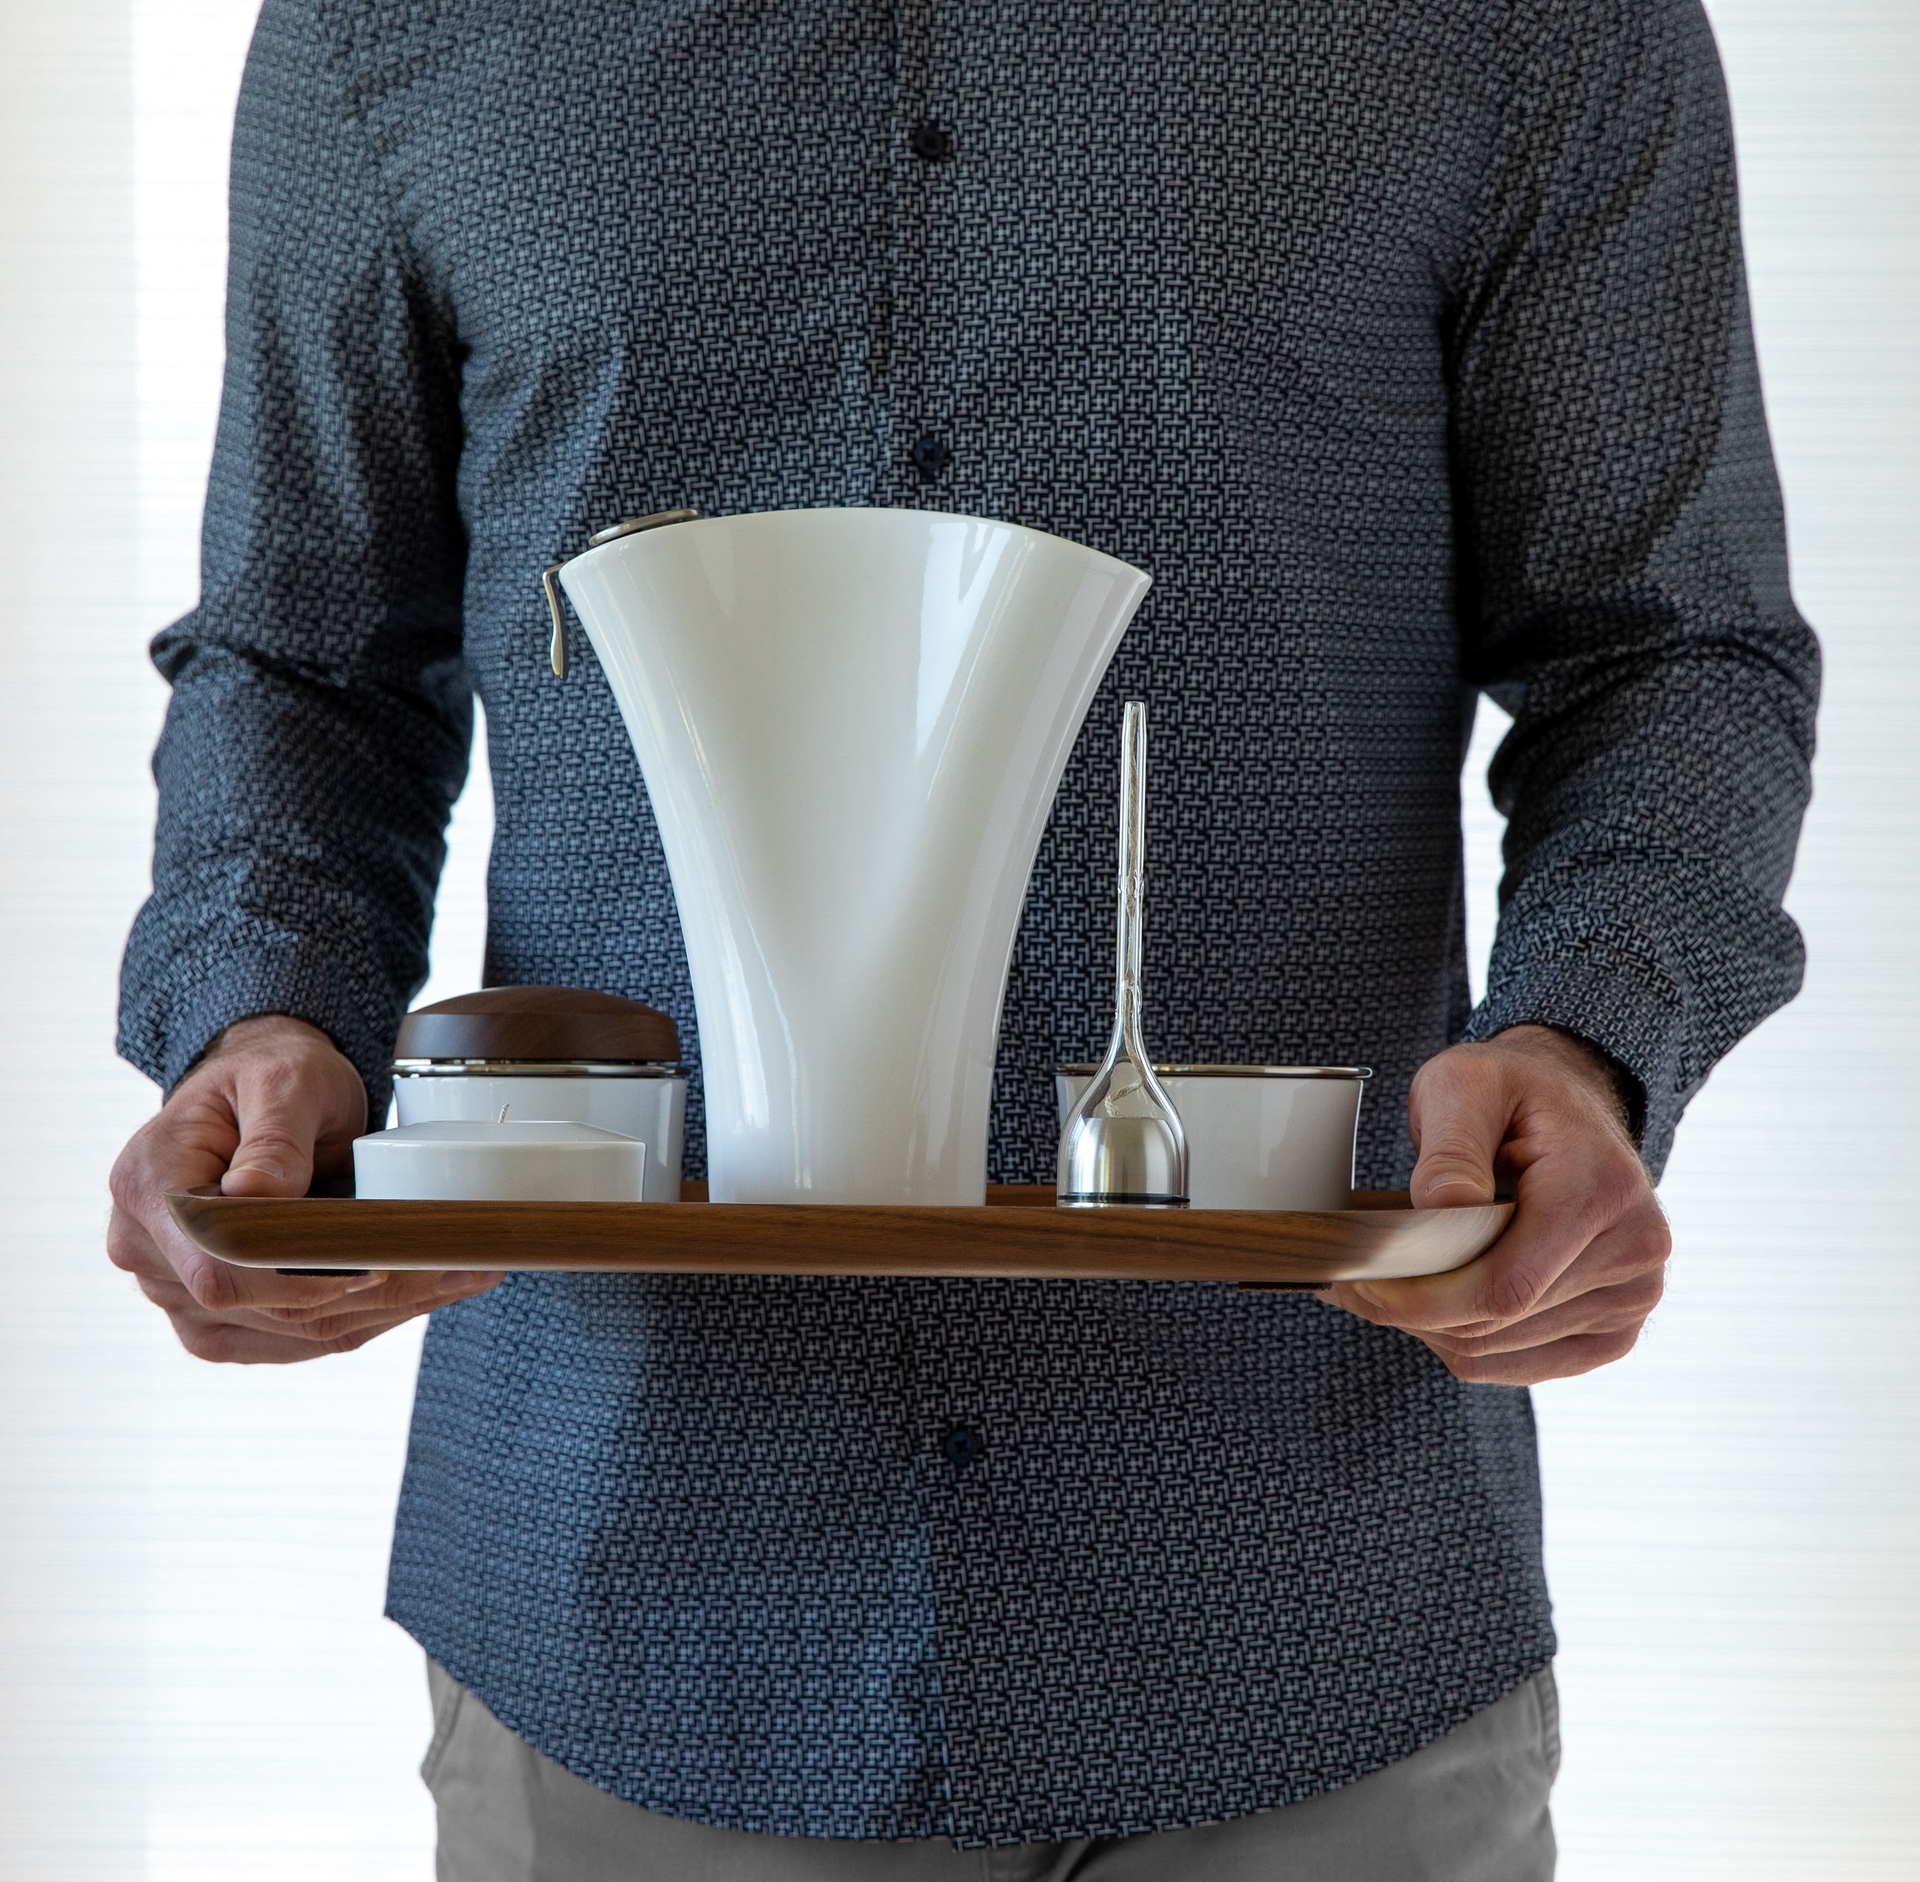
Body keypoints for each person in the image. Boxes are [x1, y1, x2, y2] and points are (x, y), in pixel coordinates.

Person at [107, 0, 1819, 1873]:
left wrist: (1586, 1036)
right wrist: (258, 1019)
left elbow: (1667, 649)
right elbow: (303, 661)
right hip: (628, 1596)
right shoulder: (392, 28)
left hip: (1316, 1601)